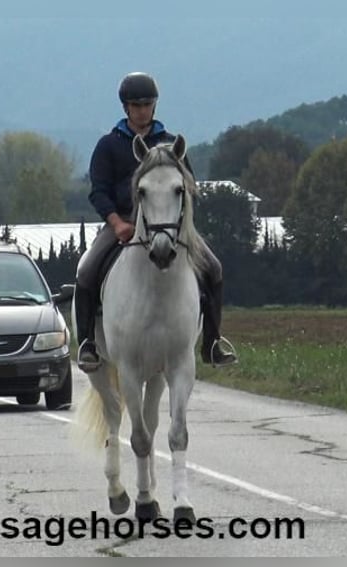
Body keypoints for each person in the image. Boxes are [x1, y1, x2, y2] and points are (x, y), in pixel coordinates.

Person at [74, 71, 237, 372]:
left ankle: (212, 341)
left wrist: (181, 224)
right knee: (86, 271)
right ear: (126, 108)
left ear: (154, 106)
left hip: (169, 224)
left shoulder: (171, 144)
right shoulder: (109, 146)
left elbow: (189, 189)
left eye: (147, 104)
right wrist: (117, 223)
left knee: (214, 268)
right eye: (136, 105)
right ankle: (88, 344)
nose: (142, 110)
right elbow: (98, 192)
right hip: (122, 223)